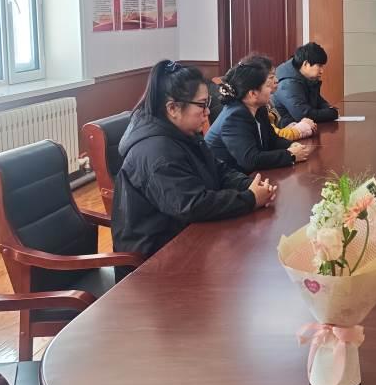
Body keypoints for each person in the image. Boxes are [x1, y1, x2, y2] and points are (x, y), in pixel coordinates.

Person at [112, 60, 277, 264]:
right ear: (173, 108)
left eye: (208, 103)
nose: (208, 112)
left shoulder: (183, 132)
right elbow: (192, 205)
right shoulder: (155, 152)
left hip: (186, 235)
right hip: (154, 260)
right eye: (201, 105)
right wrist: (250, 199)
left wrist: (249, 185)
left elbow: (217, 168)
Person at [205, 61, 312, 173]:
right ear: (253, 93)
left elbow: (272, 140)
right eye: (267, 85)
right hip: (228, 178)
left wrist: (292, 145)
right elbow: (251, 160)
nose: (271, 90)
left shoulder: (259, 109)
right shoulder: (235, 116)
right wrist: (290, 155)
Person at [241, 54, 317, 141]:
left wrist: (293, 127)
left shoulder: (264, 103)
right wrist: (301, 128)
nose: (276, 80)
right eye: (271, 77)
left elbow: (275, 130)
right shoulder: (244, 110)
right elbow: (273, 136)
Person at [273, 43, 338, 125]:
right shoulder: (288, 84)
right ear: (306, 64)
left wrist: (328, 108)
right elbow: (303, 115)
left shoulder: (305, 78)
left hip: (301, 128)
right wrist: (332, 113)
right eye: (319, 66)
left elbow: (317, 100)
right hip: (287, 130)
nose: (322, 71)